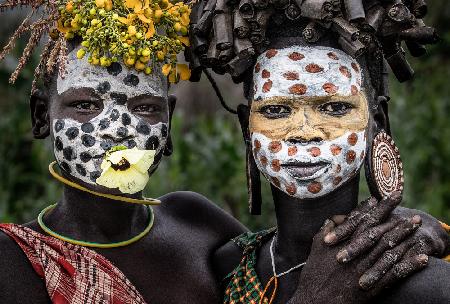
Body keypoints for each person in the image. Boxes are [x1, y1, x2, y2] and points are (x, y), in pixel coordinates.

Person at [0, 0, 448, 303]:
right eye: (84, 105)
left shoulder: (199, 228)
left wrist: (423, 228)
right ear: (42, 116)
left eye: (144, 107)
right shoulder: (12, 262)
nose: (117, 130)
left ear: (169, 124)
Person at [187, 0, 450, 303]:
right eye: (276, 110)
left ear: (375, 122)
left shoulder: (427, 287)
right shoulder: (226, 268)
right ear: (248, 128)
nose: (304, 132)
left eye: (335, 107)